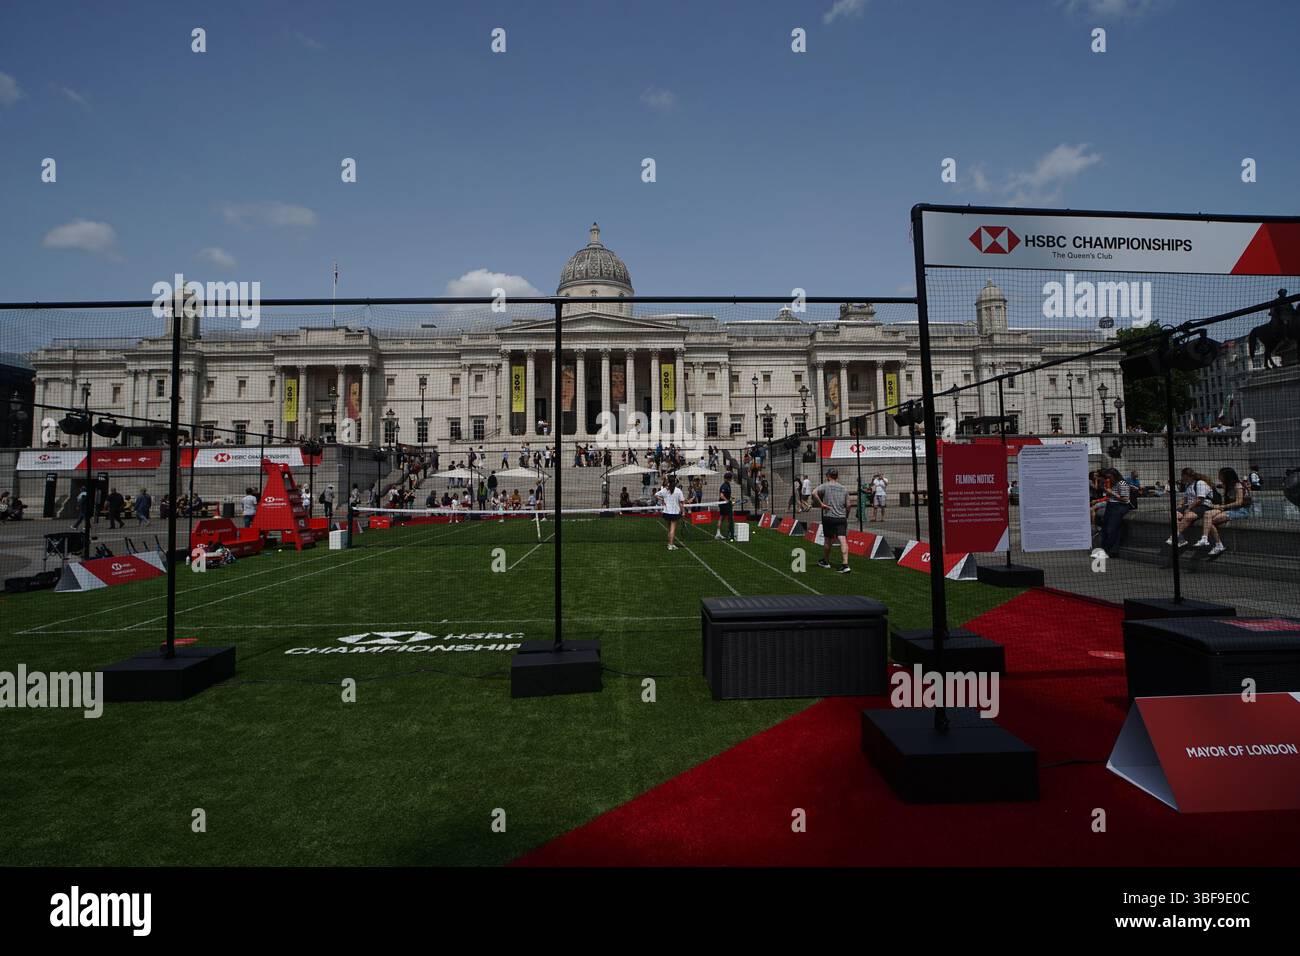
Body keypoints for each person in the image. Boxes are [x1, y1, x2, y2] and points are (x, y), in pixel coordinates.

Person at [1197, 467, 1251, 555]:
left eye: (1220, 475)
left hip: (1240, 510)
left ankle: (1218, 544)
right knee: (1207, 514)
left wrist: (1222, 506)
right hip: (1229, 508)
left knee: (1210, 521)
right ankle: (1204, 538)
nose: (1219, 477)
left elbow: (1239, 502)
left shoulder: (1238, 486)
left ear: (1227, 476)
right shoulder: (1226, 485)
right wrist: (1219, 506)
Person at [810, 469, 851, 573]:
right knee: (843, 540)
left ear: (828, 476)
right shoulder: (844, 488)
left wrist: (821, 504)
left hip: (829, 516)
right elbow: (848, 505)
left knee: (827, 539)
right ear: (837, 476)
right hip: (841, 517)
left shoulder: (826, 485)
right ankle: (845, 564)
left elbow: (814, 492)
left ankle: (826, 561)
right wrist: (846, 516)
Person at [1168, 468, 1216, 548]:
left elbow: (1200, 499)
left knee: (1188, 516)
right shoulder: (1188, 485)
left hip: (1203, 505)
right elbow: (1186, 498)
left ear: (1186, 476)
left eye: (1182, 476)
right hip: (1190, 505)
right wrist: (1180, 504)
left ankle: (1174, 537)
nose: (1181, 478)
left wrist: (1188, 508)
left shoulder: (1200, 483)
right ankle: (1181, 539)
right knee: (1172, 515)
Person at [1096, 467, 1134, 560]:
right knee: (1107, 529)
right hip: (1111, 505)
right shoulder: (1113, 483)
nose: (1109, 479)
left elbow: (1125, 498)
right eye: (1107, 477)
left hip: (1119, 506)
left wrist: (1111, 493)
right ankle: (1110, 550)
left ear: (1115, 476)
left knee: (1112, 529)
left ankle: (1108, 550)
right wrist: (1105, 490)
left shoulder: (1122, 483)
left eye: (1110, 477)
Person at [656, 474, 687, 551]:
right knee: (672, 529)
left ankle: (671, 544)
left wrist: (662, 499)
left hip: (666, 513)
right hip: (674, 513)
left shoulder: (665, 490)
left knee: (670, 529)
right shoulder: (678, 491)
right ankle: (670, 545)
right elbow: (682, 502)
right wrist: (683, 512)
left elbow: (655, 495)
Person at [715, 470, 735, 541]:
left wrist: (730, 498)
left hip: (725, 504)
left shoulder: (728, 485)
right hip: (724, 505)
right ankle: (729, 533)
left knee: (722, 518)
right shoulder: (724, 485)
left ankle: (718, 533)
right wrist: (727, 500)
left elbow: (725, 495)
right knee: (729, 519)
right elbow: (721, 496)